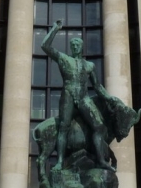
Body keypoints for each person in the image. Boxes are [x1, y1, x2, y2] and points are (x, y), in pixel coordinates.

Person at [41, 19, 115, 171]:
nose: (75, 47)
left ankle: (101, 160)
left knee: (99, 127)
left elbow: (97, 86)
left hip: (83, 98)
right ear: (71, 48)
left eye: (77, 45)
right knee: (63, 127)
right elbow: (45, 46)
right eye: (73, 45)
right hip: (67, 96)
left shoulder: (89, 65)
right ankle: (60, 162)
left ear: (81, 47)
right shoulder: (64, 59)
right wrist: (55, 29)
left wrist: (109, 98)